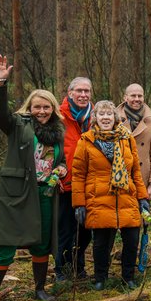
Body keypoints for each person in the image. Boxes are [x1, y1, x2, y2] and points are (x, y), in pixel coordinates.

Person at [0, 56, 67, 301]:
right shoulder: (17, 124)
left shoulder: (58, 131)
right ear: (29, 107)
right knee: (5, 245)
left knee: (41, 243)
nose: (42, 111)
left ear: (53, 109)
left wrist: (61, 168)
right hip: (16, 193)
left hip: (45, 193)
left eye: (46, 107)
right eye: (37, 107)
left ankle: (39, 289)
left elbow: (60, 160)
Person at [72, 100, 149, 290]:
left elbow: (135, 171)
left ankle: (128, 277)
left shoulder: (126, 138)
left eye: (108, 114)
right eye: (101, 114)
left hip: (127, 197)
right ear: (95, 118)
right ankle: (100, 278)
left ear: (114, 117)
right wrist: (79, 203)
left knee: (131, 240)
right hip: (98, 199)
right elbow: (78, 174)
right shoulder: (86, 141)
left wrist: (142, 197)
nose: (105, 118)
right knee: (100, 243)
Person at [56, 76, 94, 280]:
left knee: (86, 230)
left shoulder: (97, 115)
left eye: (87, 91)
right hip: (66, 184)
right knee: (65, 229)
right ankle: (61, 270)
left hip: (91, 184)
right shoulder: (58, 116)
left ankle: (78, 267)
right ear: (70, 93)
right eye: (79, 91)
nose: (83, 94)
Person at [116, 84, 151, 201]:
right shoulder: (113, 119)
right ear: (125, 97)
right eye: (133, 96)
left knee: (141, 211)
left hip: (143, 178)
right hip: (118, 178)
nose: (137, 99)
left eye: (140, 96)